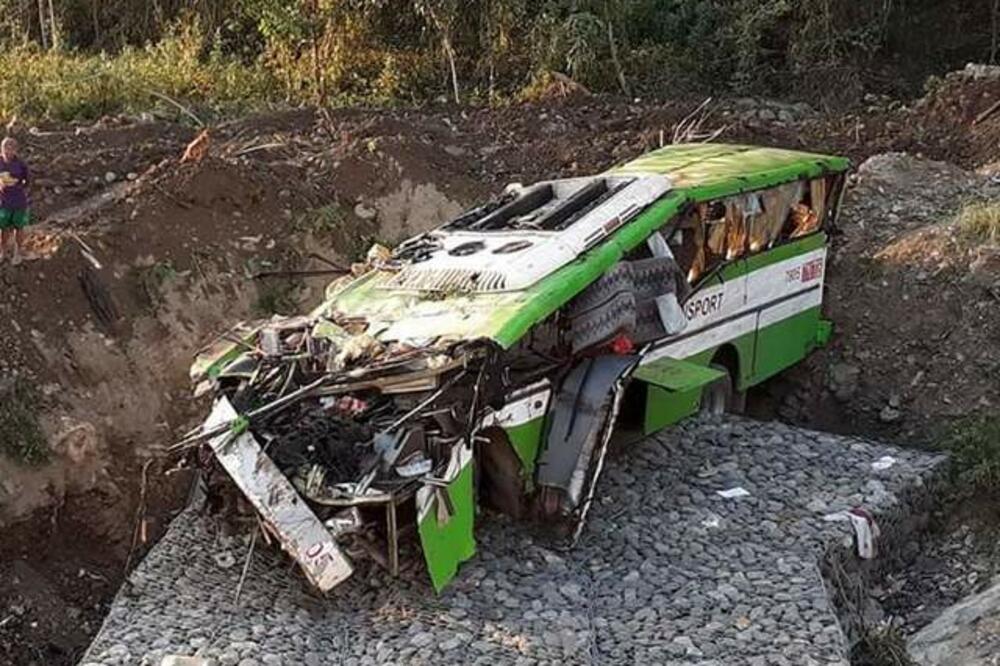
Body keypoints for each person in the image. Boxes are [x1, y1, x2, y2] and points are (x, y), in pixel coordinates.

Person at [0, 137, 31, 264]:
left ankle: (18, 252)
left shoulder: (21, 164)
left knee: (19, 227)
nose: (8, 151)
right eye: (5, 148)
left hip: (19, 202)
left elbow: (27, 181)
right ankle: (3, 252)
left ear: (15, 150)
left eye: (11, 148)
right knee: (3, 228)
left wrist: (19, 187)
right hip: (3, 202)